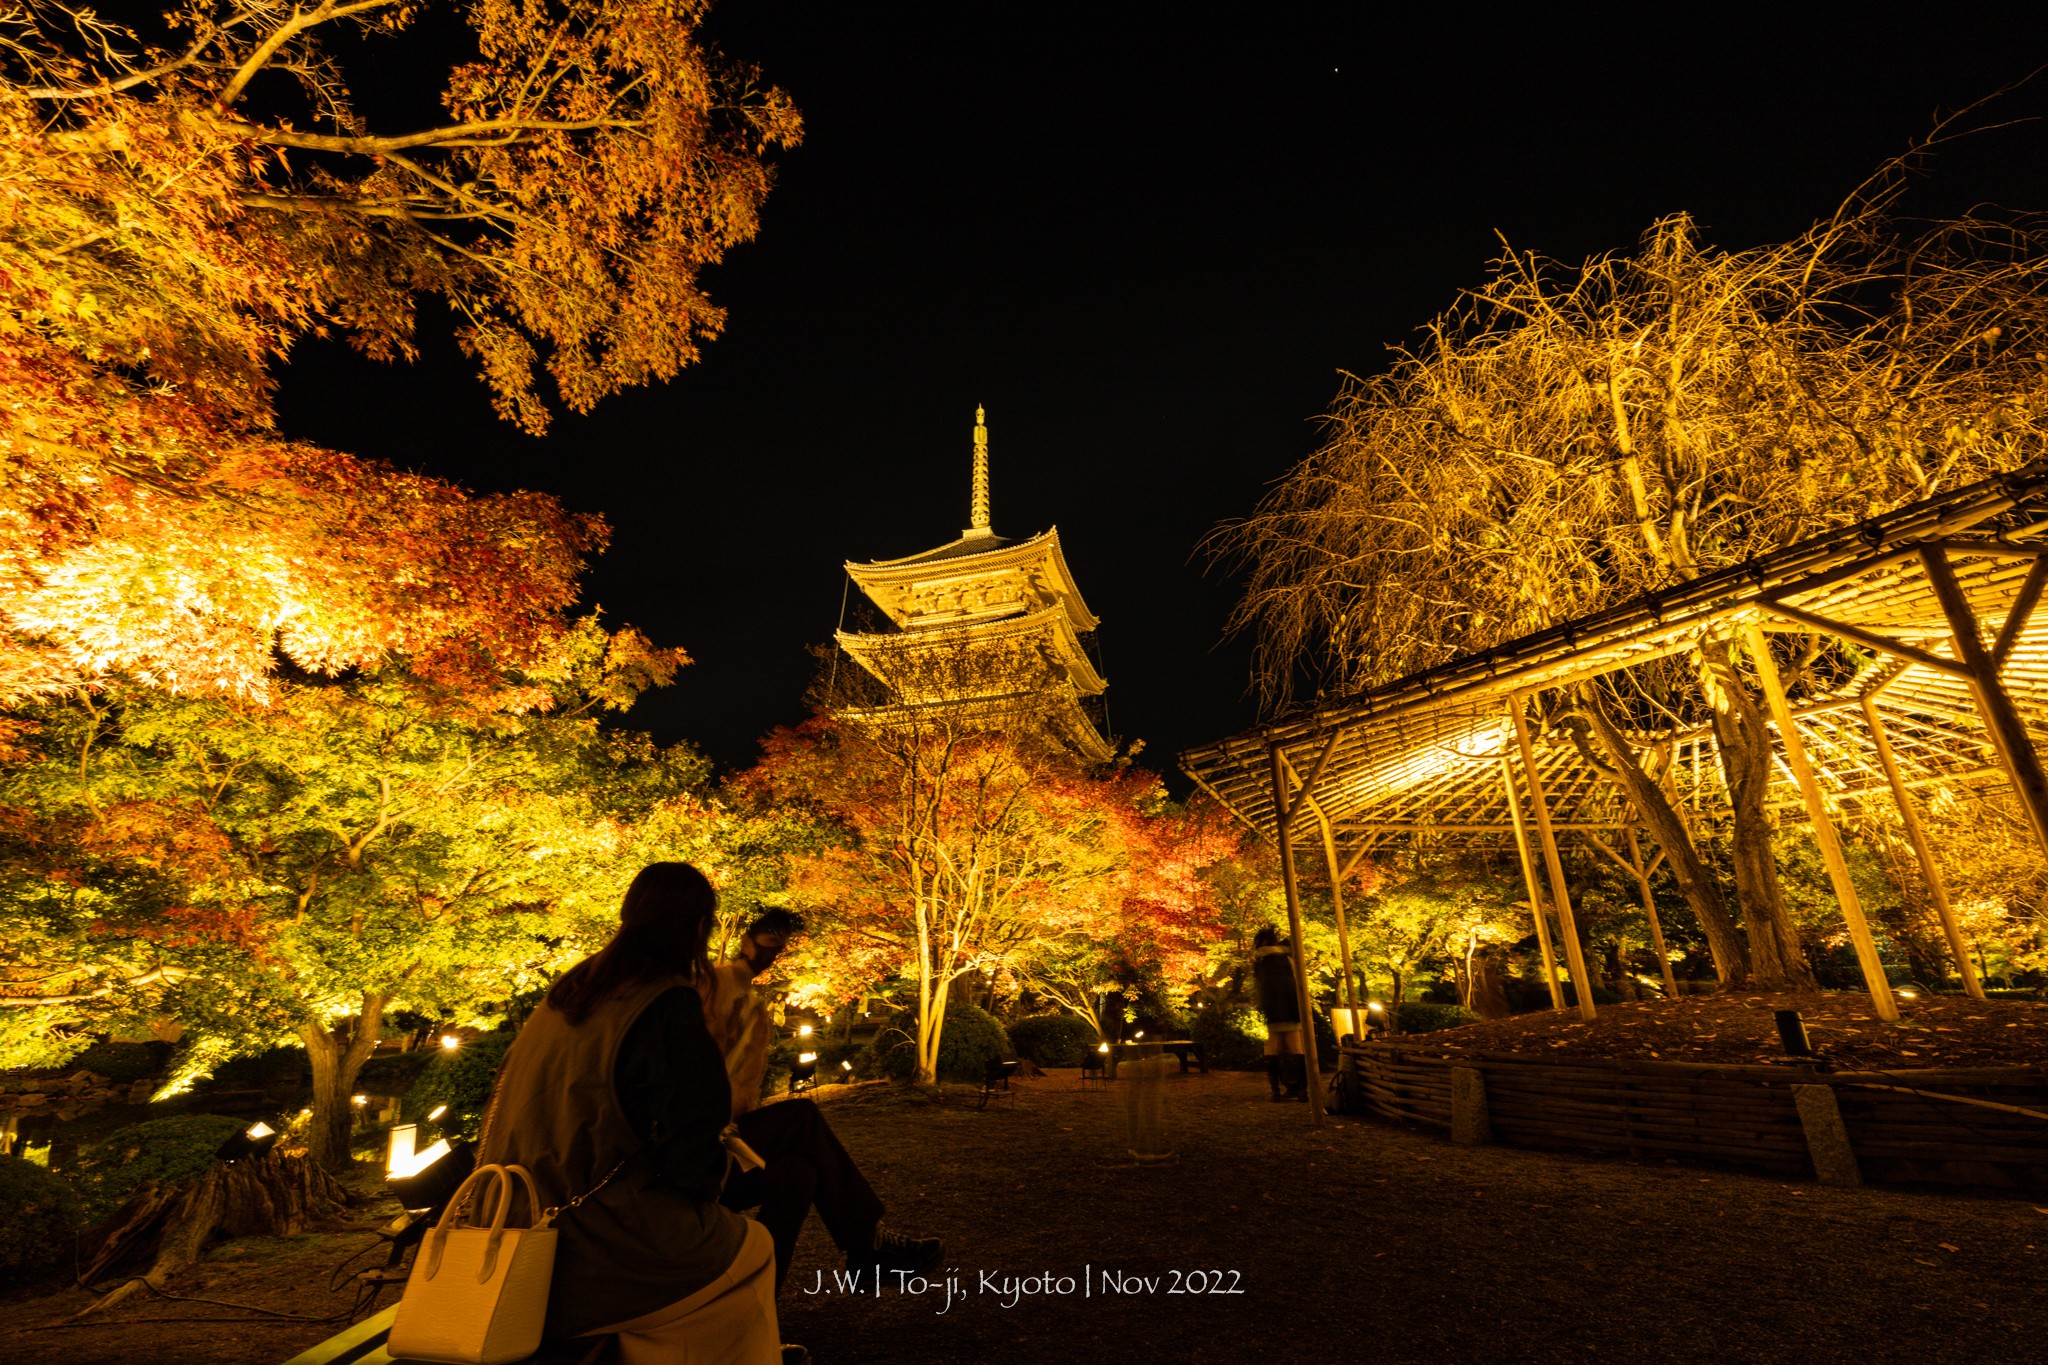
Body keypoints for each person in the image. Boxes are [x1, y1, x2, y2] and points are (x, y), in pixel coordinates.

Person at [476, 862, 787, 1364]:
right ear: (700, 926)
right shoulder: (664, 1002)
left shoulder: (574, 990)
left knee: (787, 1178)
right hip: (586, 1249)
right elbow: (695, 1156)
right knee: (751, 1246)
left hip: (506, 1221)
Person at [702, 908, 943, 1290]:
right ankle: (868, 1242)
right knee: (802, 1114)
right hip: (699, 1145)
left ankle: (761, 1310)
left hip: (729, 1144)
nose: (770, 955)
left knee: (800, 1174)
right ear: (746, 942)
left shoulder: (757, 1009)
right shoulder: (710, 986)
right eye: (765, 941)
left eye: (778, 949)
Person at [1252, 925, 1307, 1102]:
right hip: (1291, 1008)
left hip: (1272, 1009)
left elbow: (1260, 986)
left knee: (1271, 1050)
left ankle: (1276, 1091)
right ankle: (1301, 1090)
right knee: (1297, 1049)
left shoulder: (1260, 961)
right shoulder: (1288, 958)